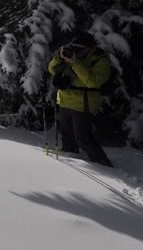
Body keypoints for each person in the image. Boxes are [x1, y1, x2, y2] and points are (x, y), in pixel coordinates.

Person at [47, 32, 114, 167]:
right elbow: (51, 69)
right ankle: (71, 157)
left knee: (83, 136)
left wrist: (75, 63)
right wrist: (58, 58)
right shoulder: (71, 54)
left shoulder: (100, 58)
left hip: (84, 103)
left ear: (90, 48)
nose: (78, 51)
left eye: (81, 48)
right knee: (66, 134)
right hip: (65, 100)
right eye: (75, 47)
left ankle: (103, 164)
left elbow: (92, 81)